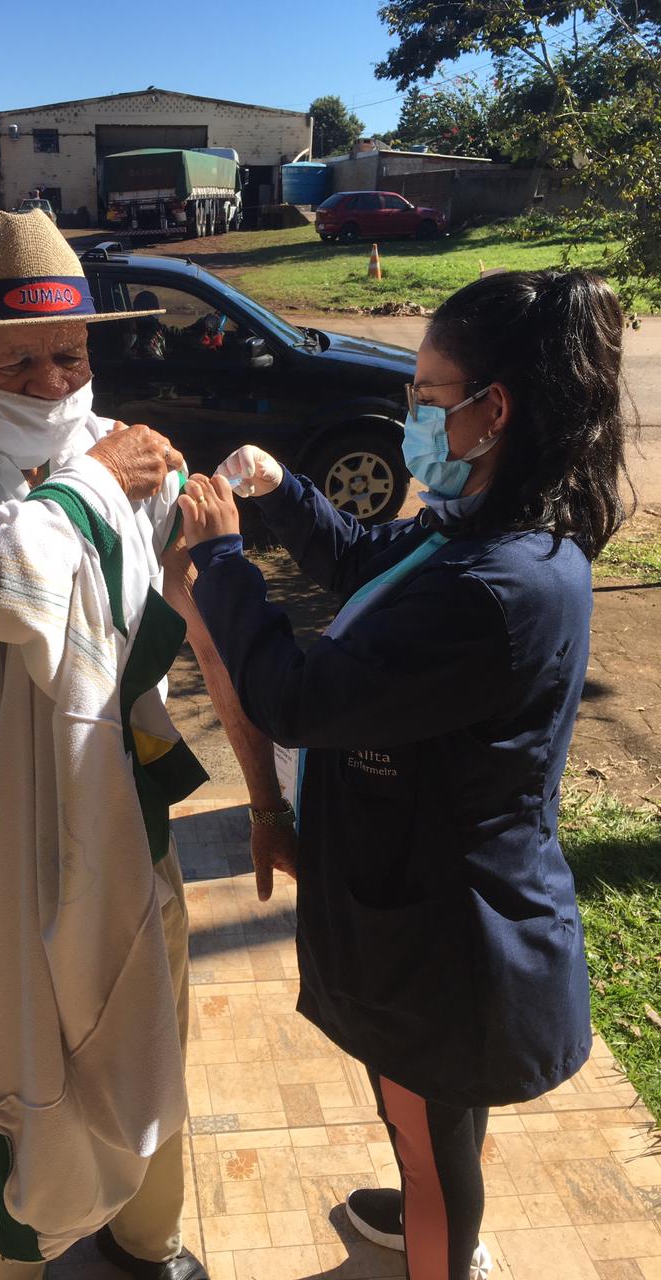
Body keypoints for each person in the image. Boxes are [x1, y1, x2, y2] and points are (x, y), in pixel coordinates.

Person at [0, 208, 292, 1280]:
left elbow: (187, 615)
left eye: (71, 354)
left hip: (122, 819)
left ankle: (148, 1238)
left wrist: (266, 797)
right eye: (17, 362)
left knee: (149, 1038)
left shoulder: (119, 453)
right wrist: (98, 483)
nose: (52, 384)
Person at [178, 269, 628, 1280]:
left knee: (427, 1136)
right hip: (435, 901)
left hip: (444, 933)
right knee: (435, 1108)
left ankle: (443, 1244)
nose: (412, 416)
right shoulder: (486, 531)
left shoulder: (492, 588)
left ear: (492, 410)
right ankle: (441, 1218)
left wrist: (223, 562)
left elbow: (296, 697)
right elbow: (372, 563)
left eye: (426, 397)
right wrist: (283, 492)